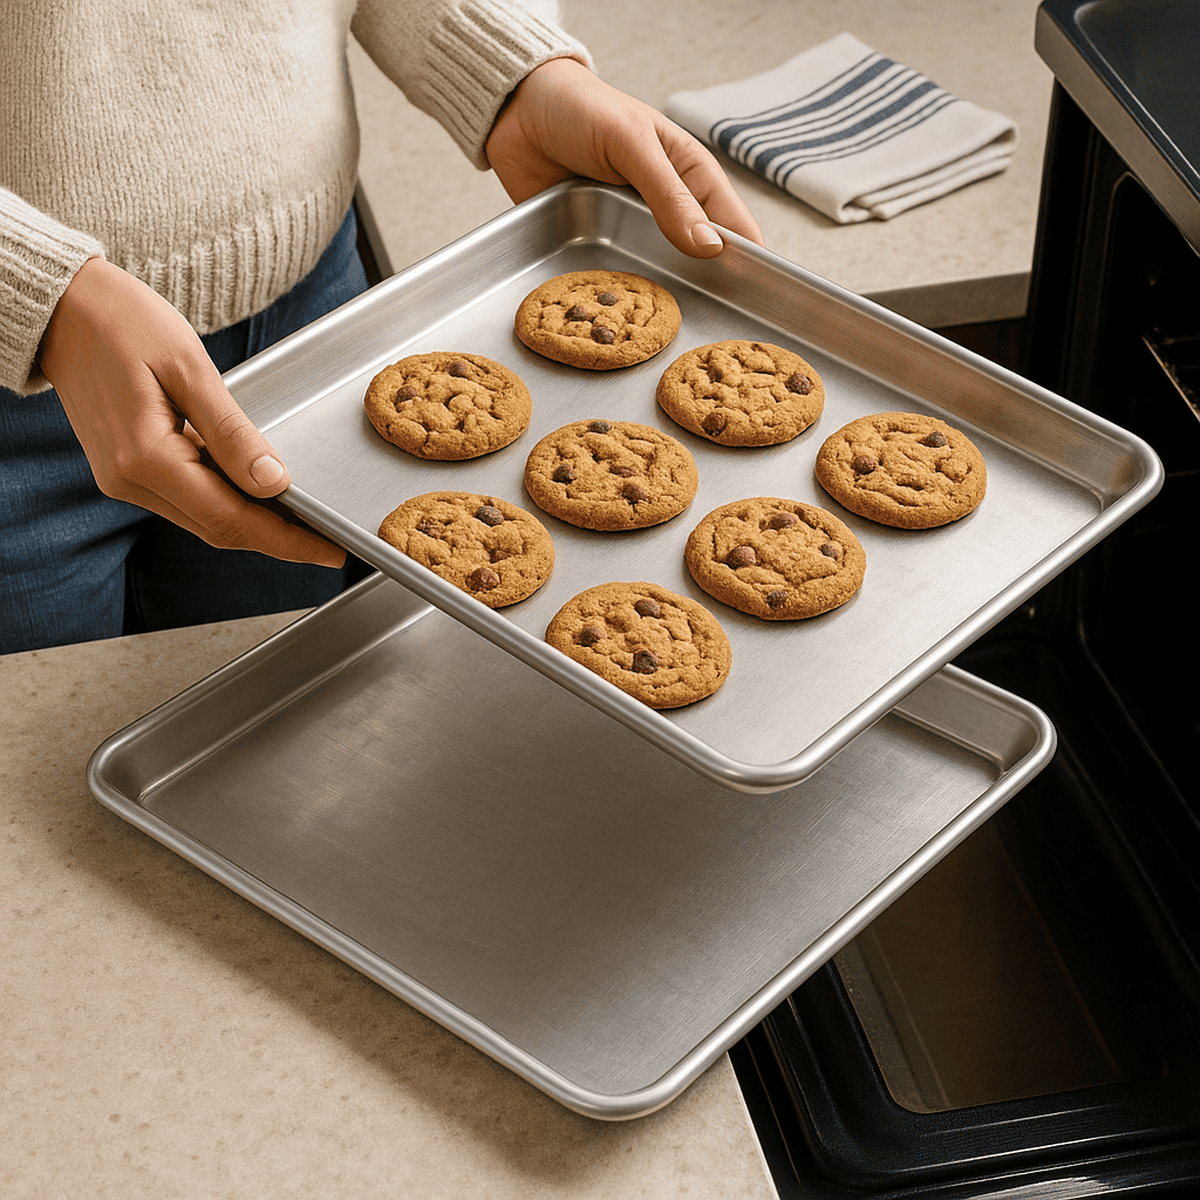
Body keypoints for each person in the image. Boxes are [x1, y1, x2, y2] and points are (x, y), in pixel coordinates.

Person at [0, 0, 763, 655]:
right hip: (15, 402)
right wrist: (35, 292)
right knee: (38, 753)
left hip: (314, 322)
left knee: (276, 700)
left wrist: (514, 68)